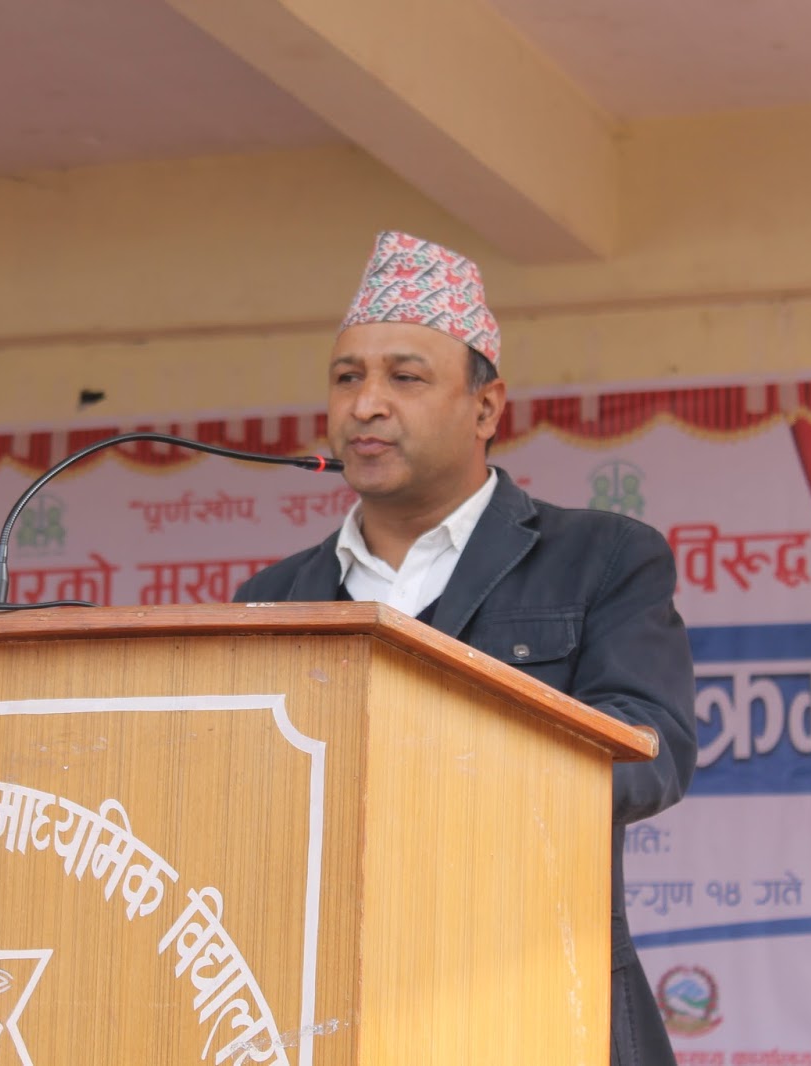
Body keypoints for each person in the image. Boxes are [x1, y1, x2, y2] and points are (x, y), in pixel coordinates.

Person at [235, 230, 699, 1066]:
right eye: (348, 378)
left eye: (405, 378)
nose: (366, 406)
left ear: (486, 409)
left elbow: (651, 750)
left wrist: (448, 769)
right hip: (328, 1010)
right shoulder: (271, 598)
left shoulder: (602, 558)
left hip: (539, 997)